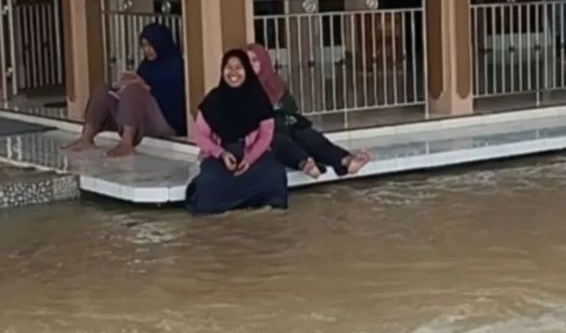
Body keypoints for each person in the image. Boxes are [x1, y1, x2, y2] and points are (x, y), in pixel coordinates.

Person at [184, 49, 288, 215]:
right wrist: (222, 154)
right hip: (220, 156)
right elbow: (201, 136)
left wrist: (249, 158)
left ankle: (264, 205)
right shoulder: (213, 100)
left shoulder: (259, 99)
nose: (233, 73)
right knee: (209, 184)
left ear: (246, 70)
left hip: (252, 154)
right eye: (228, 67)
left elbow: (266, 134)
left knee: (274, 174)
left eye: (238, 67)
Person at [245, 43, 370, 179]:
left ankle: (345, 161)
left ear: (264, 62)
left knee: (306, 133)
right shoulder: (239, 87)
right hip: (260, 130)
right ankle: (305, 163)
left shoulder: (275, 83)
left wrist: (286, 116)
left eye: (255, 60)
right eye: (246, 60)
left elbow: (290, 107)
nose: (250, 64)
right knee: (278, 139)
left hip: (284, 121)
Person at [63, 23, 185, 157]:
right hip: (139, 119)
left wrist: (145, 87)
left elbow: (175, 100)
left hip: (166, 120)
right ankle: (86, 138)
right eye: (143, 46)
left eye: (150, 45)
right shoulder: (147, 65)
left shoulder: (175, 65)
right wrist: (121, 87)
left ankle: (126, 143)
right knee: (104, 92)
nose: (146, 50)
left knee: (133, 91)